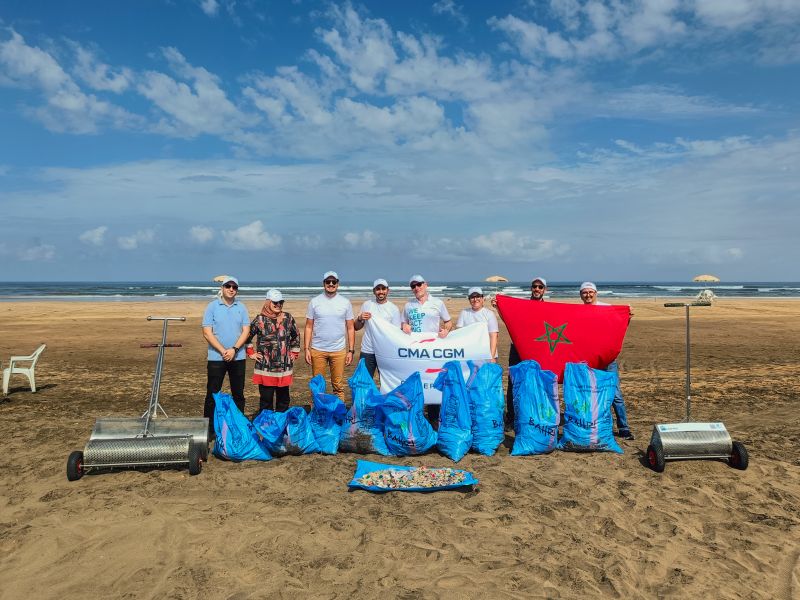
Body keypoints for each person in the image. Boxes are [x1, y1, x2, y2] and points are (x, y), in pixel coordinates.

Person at [579, 281, 635, 440]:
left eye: (591, 292)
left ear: (596, 293)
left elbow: (619, 326)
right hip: (589, 359)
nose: (588, 295)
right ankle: (597, 426)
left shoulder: (606, 308)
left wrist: (628, 316)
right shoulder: (579, 311)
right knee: (592, 394)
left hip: (608, 359)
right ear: (581, 295)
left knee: (615, 394)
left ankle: (624, 428)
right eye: (584, 292)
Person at [492, 276, 547, 429]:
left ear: (544, 290)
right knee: (513, 380)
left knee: (536, 380)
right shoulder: (522, 304)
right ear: (531, 288)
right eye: (534, 286)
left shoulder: (548, 307)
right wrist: (499, 308)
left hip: (538, 348)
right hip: (517, 347)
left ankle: (534, 414)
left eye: (540, 287)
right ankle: (511, 417)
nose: (537, 289)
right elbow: (509, 319)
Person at [202, 276, 250, 437]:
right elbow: (207, 333)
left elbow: (246, 331)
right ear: (222, 288)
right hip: (216, 358)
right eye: (228, 286)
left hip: (238, 357)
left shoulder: (241, 307)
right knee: (212, 393)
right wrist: (223, 351)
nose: (231, 289)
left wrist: (234, 349)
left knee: (238, 394)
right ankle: (208, 430)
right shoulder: (212, 307)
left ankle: (238, 427)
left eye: (234, 287)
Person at [402, 274, 452, 426]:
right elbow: (403, 323)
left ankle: (434, 421)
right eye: (413, 286)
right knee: (416, 382)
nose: (416, 288)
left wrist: (446, 330)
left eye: (419, 284)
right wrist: (404, 326)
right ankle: (414, 419)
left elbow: (448, 322)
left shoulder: (437, 303)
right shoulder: (408, 305)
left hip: (432, 350)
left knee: (432, 382)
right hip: (415, 351)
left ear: (426, 284)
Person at [246, 289, 300, 414]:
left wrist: (294, 353)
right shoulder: (260, 319)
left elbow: (296, 335)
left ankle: (281, 425)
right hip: (265, 367)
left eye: (281, 302)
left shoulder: (288, 318)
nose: (278, 305)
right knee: (266, 400)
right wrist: (251, 353)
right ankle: (267, 428)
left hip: (284, 367)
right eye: (275, 302)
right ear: (268, 303)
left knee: (283, 400)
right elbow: (247, 335)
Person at [304, 271, 355, 401]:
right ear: (324, 283)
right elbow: (309, 326)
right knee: (318, 386)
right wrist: (306, 349)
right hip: (318, 350)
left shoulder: (345, 302)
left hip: (339, 351)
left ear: (338, 284)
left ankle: (339, 417)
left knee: (338, 386)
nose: (331, 284)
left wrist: (351, 351)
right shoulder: (314, 302)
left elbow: (350, 327)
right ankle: (317, 416)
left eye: (334, 282)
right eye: (328, 281)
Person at [354, 278, 401, 379]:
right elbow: (356, 327)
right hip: (367, 351)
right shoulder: (367, 305)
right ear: (374, 291)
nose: (381, 291)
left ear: (388, 290)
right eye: (378, 289)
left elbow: (396, 334)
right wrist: (360, 318)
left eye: (383, 289)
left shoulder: (393, 309)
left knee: (386, 383)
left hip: (385, 351)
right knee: (363, 382)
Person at [456, 287, 499, 361]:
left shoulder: (489, 314)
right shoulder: (464, 313)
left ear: (482, 298)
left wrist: (491, 358)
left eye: (478, 296)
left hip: (487, 354)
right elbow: (459, 334)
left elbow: (493, 337)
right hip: (469, 354)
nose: (475, 299)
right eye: (472, 297)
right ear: (469, 300)